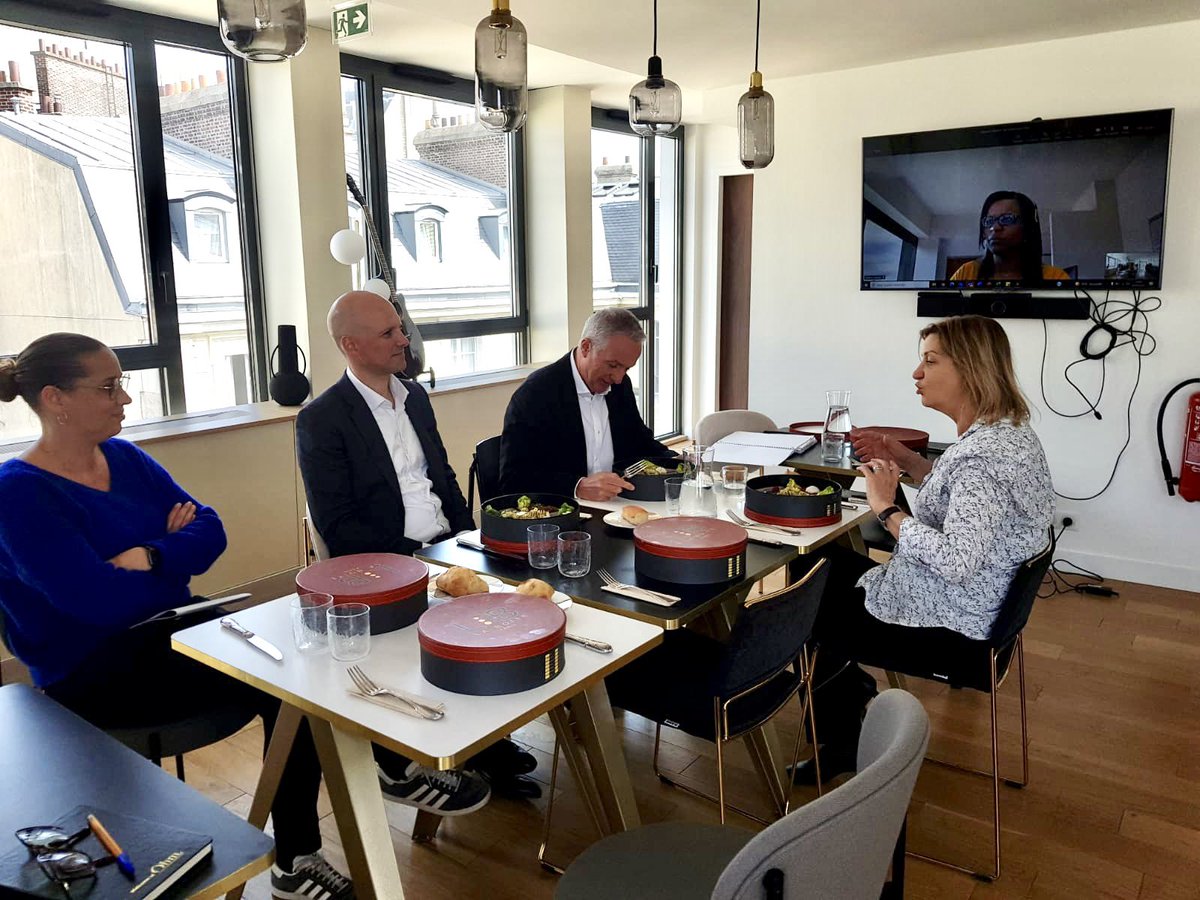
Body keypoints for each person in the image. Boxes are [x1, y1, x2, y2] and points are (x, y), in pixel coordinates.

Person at [0, 334, 354, 900]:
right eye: (109, 386)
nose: (126, 399)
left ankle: (294, 856)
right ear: (55, 399)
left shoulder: (123, 457)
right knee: (288, 682)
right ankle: (294, 856)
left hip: (169, 632)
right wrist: (165, 564)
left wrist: (150, 556)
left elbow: (211, 530)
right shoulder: (18, 494)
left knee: (301, 670)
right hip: (89, 670)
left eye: (122, 383)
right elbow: (92, 602)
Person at [296, 290, 539, 804]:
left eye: (400, 328)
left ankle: (484, 742)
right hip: (388, 565)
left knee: (507, 619)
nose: (404, 339)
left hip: (446, 546)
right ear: (351, 345)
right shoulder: (322, 418)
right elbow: (338, 525)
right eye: (389, 332)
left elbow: (442, 477)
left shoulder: (415, 398)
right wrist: (417, 560)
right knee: (469, 628)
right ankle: (444, 753)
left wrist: (470, 538)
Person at [793, 315, 1054, 783]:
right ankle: (851, 692)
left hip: (953, 629)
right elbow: (966, 503)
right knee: (818, 567)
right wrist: (908, 459)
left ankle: (842, 738)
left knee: (801, 599)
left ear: (971, 370)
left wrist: (886, 508)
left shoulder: (984, 459)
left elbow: (956, 558)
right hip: (982, 612)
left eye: (930, 362)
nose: (917, 373)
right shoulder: (1007, 435)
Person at [500, 308, 672, 501]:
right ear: (585, 347)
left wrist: (678, 461)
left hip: (617, 506)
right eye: (613, 365)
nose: (618, 377)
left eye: (627, 368)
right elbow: (513, 479)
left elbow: (640, 442)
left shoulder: (620, 385)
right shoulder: (536, 395)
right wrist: (577, 486)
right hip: (563, 515)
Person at [948, 190, 1071, 284]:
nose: (995, 228)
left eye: (1007, 219)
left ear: (1027, 227)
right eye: (989, 221)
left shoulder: (1055, 277)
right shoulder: (967, 272)